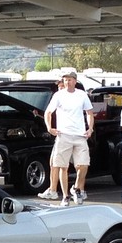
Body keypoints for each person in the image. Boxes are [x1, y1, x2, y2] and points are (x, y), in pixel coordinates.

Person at [41, 70, 95, 204]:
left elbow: (89, 113)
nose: (67, 82)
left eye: (69, 79)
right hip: (63, 134)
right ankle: (65, 196)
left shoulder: (82, 95)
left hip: (79, 135)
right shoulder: (58, 95)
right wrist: (49, 127)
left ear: (75, 81)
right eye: (65, 79)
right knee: (62, 166)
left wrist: (90, 128)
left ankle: (76, 188)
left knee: (83, 165)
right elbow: (48, 112)